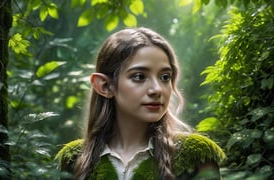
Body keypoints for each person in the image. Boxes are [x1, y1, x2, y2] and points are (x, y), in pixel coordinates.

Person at [55, 27, 226, 179]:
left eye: (165, 77)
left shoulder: (195, 154)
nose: (157, 89)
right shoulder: (73, 158)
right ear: (105, 86)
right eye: (139, 76)